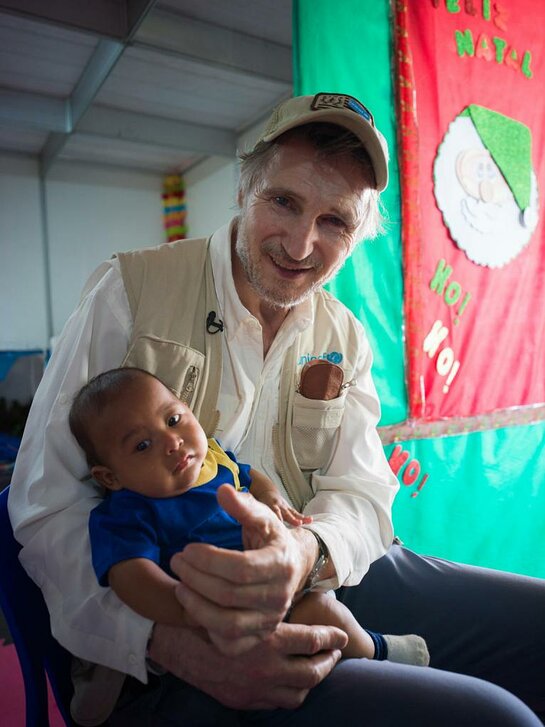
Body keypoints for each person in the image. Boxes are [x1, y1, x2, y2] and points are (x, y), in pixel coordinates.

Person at [8, 92, 545, 726]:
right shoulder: (128, 289)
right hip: (177, 616)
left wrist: (304, 551)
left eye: (335, 222)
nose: (301, 243)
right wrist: (168, 641)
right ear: (245, 189)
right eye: (284, 202)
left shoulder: (344, 334)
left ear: (357, 235)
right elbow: (46, 509)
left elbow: (363, 495)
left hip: (320, 580)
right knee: (493, 718)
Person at [69, 365, 429, 666]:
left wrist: (270, 496)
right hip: (227, 613)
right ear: (110, 477)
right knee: (321, 613)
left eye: (174, 419)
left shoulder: (209, 456)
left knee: (324, 603)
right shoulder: (128, 513)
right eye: (142, 445)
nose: (172, 441)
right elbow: (131, 577)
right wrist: (189, 611)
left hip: (278, 576)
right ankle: (378, 654)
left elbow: (247, 473)